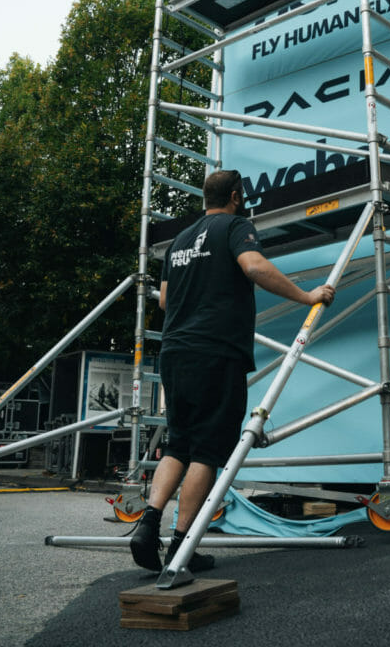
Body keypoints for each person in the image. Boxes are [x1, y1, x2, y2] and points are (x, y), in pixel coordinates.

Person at [131, 169, 336, 573]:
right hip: (216, 352)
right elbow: (255, 267)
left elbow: (165, 301)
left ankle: (147, 524)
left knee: (179, 444)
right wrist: (307, 295)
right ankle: (180, 548)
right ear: (237, 196)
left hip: (175, 352)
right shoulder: (236, 226)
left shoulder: (181, 241)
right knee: (207, 451)